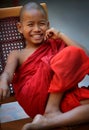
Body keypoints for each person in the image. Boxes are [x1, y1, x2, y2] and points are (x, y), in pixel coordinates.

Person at [0, 1, 89, 130]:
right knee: (70, 52)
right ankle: (51, 111)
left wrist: (61, 35)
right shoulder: (18, 54)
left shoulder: (55, 43)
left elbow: (85, 56)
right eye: (30, 24)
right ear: (20, 27)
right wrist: (3, 81)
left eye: (41, 24)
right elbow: (7, 72)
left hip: (61, 97)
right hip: (34, 97)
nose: (36, 29)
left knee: (73, 53)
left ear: (47, 25)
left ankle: (47, 122)